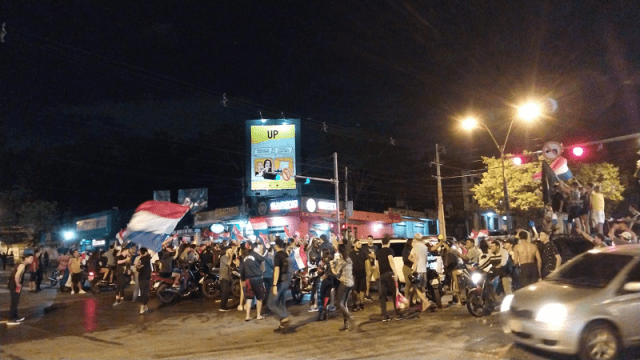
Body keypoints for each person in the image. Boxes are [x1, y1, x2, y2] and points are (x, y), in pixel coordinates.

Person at [376, 235, 401, 321]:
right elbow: (390, 260)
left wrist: (380, 274)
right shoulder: (389, 250)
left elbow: (376, 265)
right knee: (394, 294)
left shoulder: (378, 252)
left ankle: (384, 315)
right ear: (389, 243)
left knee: (383, 295)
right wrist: (395, 273)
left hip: (382, 275)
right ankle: (397, 314)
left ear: (382, 243)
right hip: (389, 274)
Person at [240, 242, 266, 321]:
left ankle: (247, 316)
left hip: (248, 280)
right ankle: (258, 315)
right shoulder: (255, 255)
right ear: (254, 248)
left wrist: (242, 280)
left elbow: (242, 270)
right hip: (257, 278)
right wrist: (263, 250)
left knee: (249, 298)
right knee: (259, 298)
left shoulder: (245, 257)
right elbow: (263, 259)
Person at [6, 252, 35, 325]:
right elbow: (17, 275)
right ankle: (11, 319)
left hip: (13, 284)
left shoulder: (20, 264)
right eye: (31, 258)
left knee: (15, 301)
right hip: (15, 285)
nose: (32, 260)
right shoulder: (22, 265)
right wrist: (18, 284)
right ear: (26, 258)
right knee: (14, 302)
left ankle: (15, 317)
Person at [331, 244, 354, 331]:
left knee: (338, 303)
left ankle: (349, 316)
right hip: (351, 283)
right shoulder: (349, 259)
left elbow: (335, 272)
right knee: (344, 303)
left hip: (344, 282)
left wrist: (332, 265)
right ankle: (346, 324)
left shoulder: (342, 260)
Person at [269, 238, 290, 333]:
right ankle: (282, 325)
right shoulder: (286, 254)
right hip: (286, 280)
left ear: (276, 245)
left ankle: (284, 317)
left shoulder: (277, 256)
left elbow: (277, 270)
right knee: (282, 303)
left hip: (280, 282)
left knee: (271, 303)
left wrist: (274, 285)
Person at [349, 238, 368, 312]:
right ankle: (354, 304)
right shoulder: (351, 254)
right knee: (354, 290)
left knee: (362, 289)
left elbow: (366, 262)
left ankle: (361, 303)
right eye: (358, 243)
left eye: (360, 243)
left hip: (362, 273)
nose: (360, 245)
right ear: (354, 244)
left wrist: (368, 271)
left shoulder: (363, 253)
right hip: (353, 274)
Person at [218, 245, 234, 311]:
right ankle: (222, 307)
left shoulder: (228, 257)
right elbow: (228, 263)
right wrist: (231, 256)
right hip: (223, 277)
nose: (231, 252)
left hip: (227, 277)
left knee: (227, 291)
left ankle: (224, 306)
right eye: (230, 250)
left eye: (232, 251)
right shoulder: (224, 257)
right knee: (225, 291)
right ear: (226, 251)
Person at [136, 247, 152, 314]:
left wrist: (137, 266)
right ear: (146, 252)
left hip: (141, 277)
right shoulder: (147, 258)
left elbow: (138, 269)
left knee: (144, 292)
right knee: (145, 293)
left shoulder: (140, 259)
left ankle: (145, 307)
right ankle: (142, 307)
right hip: (145, 278)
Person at [401, 238, 414, 305]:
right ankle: (406, 300)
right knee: (408, 284)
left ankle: (411, 300)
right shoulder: (406, 250)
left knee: (413, 285)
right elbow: (406, 259)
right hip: (407, 267)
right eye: (413, 242)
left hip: (412, 268)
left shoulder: (412, 249)